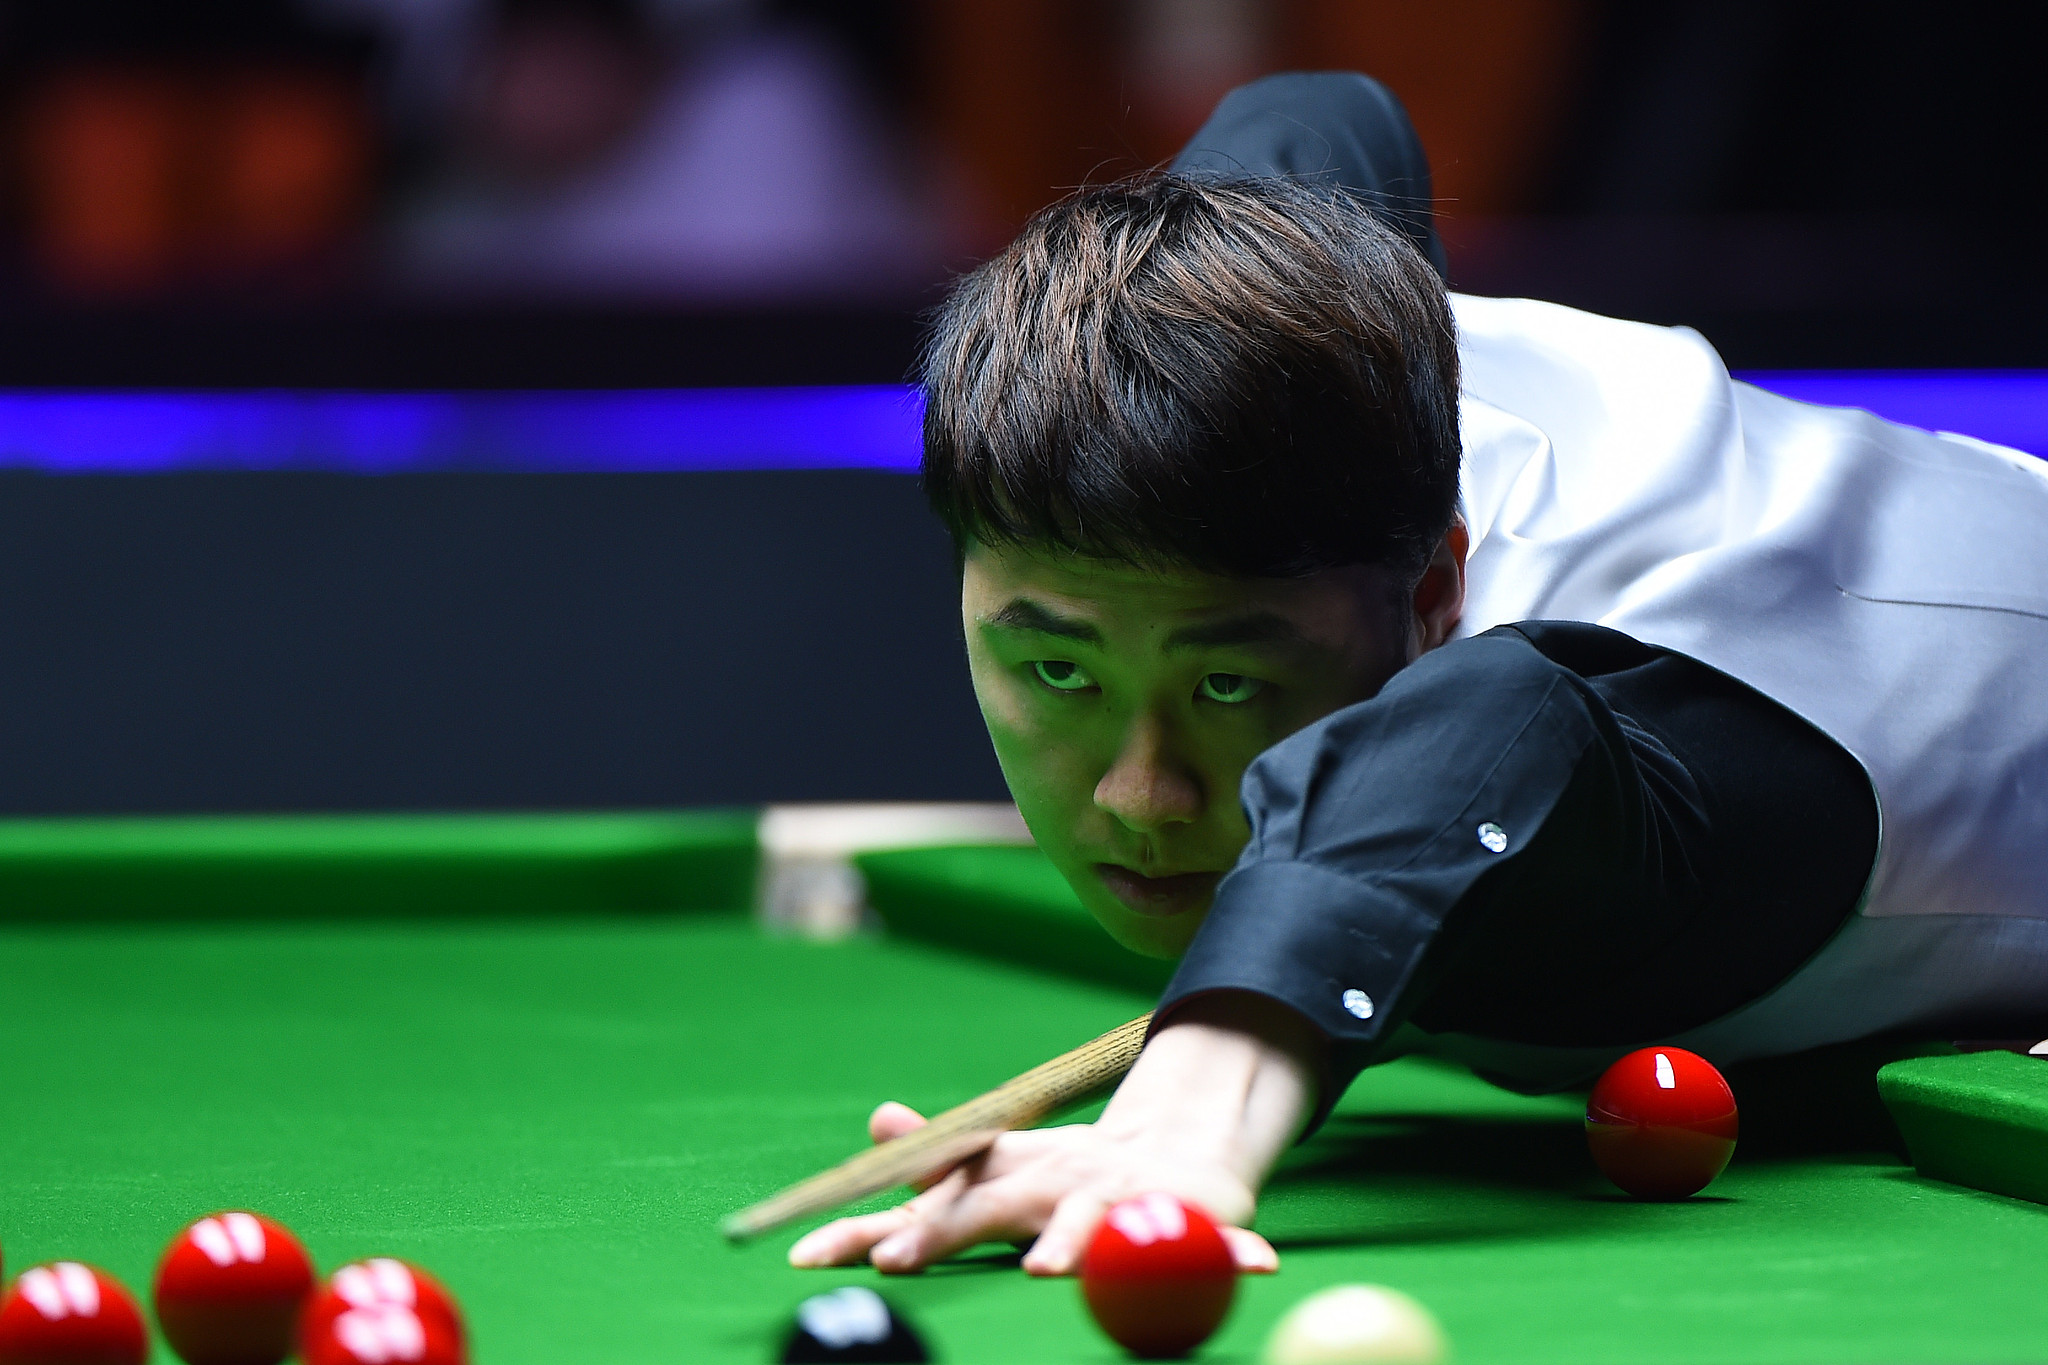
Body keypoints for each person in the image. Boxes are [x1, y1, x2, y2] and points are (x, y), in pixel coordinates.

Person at [788, 72, 2048, 1278]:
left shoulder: (1706, 752)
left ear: (1436, 592)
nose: (1141, 796)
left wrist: (1187, 1109)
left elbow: (1490, 717)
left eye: (1227, 688)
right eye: (1058, 671)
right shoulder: (1290, 352)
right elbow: (1317, 113)